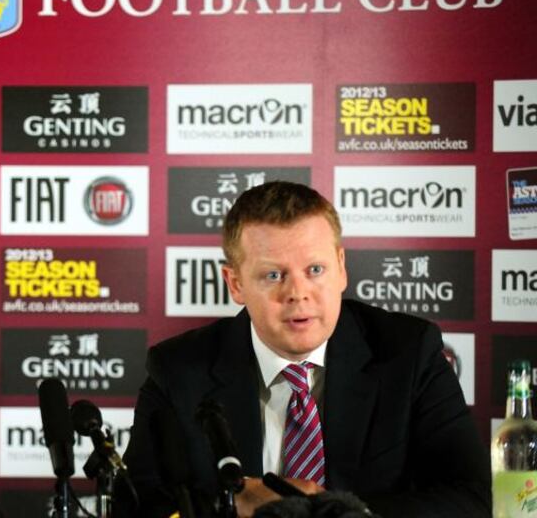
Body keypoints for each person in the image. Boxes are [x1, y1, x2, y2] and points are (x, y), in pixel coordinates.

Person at [122, 181, 490, 517]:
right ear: (235, 284)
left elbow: (470, 499)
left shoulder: (408, 353)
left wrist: (331, 513)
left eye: (315, 270)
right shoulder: (178, 370)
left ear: (341, 268)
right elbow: (134, 506)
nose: (298, 293)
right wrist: (228, 508)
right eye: (273, 275)